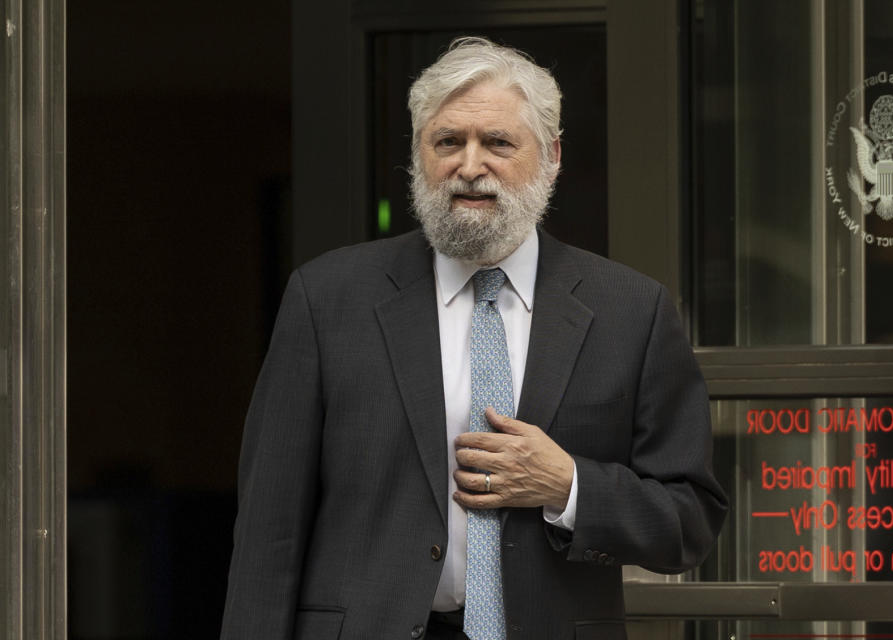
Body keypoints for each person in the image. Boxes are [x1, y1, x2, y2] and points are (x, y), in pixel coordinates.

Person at [220, 36, 727, 640]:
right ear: (418, 155)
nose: (468, 165)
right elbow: (269, 528)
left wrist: (568, 485)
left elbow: (689, 521)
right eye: (447, 142)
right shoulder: (327, 299)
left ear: (552, 156)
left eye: (498, 143)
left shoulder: (630, 311)